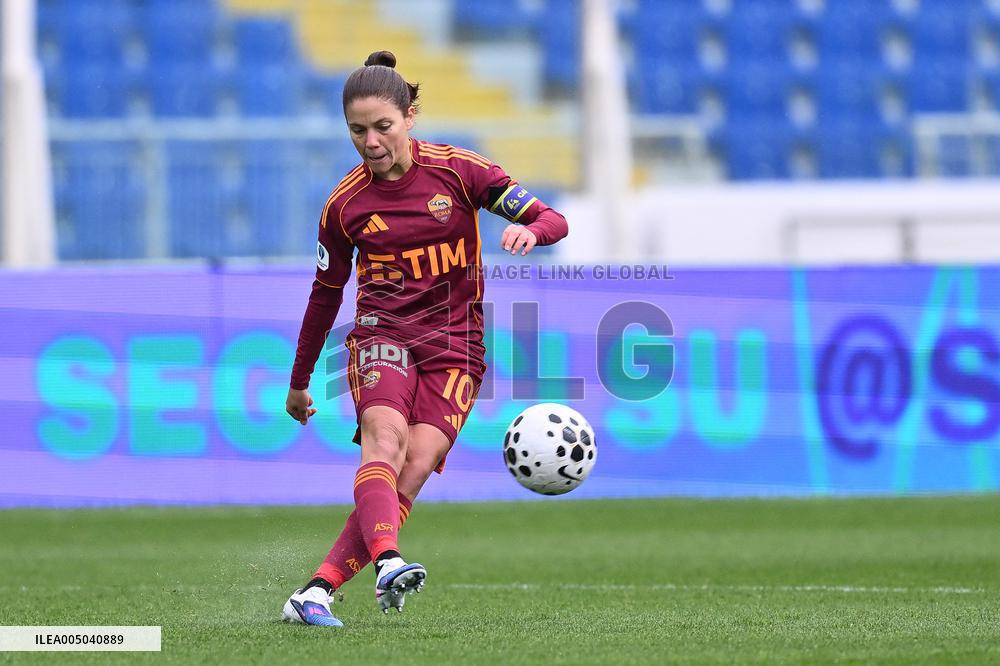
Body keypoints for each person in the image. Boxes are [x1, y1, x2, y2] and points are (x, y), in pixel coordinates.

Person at [280, 50, 569, 627]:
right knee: (383, 441)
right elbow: (325, 293)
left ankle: (315, 592)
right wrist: (299, 381)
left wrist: (531, 231)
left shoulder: (461, 173)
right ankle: (389, 560)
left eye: (382, 126)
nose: (371, 141)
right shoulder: (344, 206)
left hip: (459, 346)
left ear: (411, 116)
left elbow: (553, 219)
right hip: (382, 337)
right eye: (357, 130)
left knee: (413, 466)